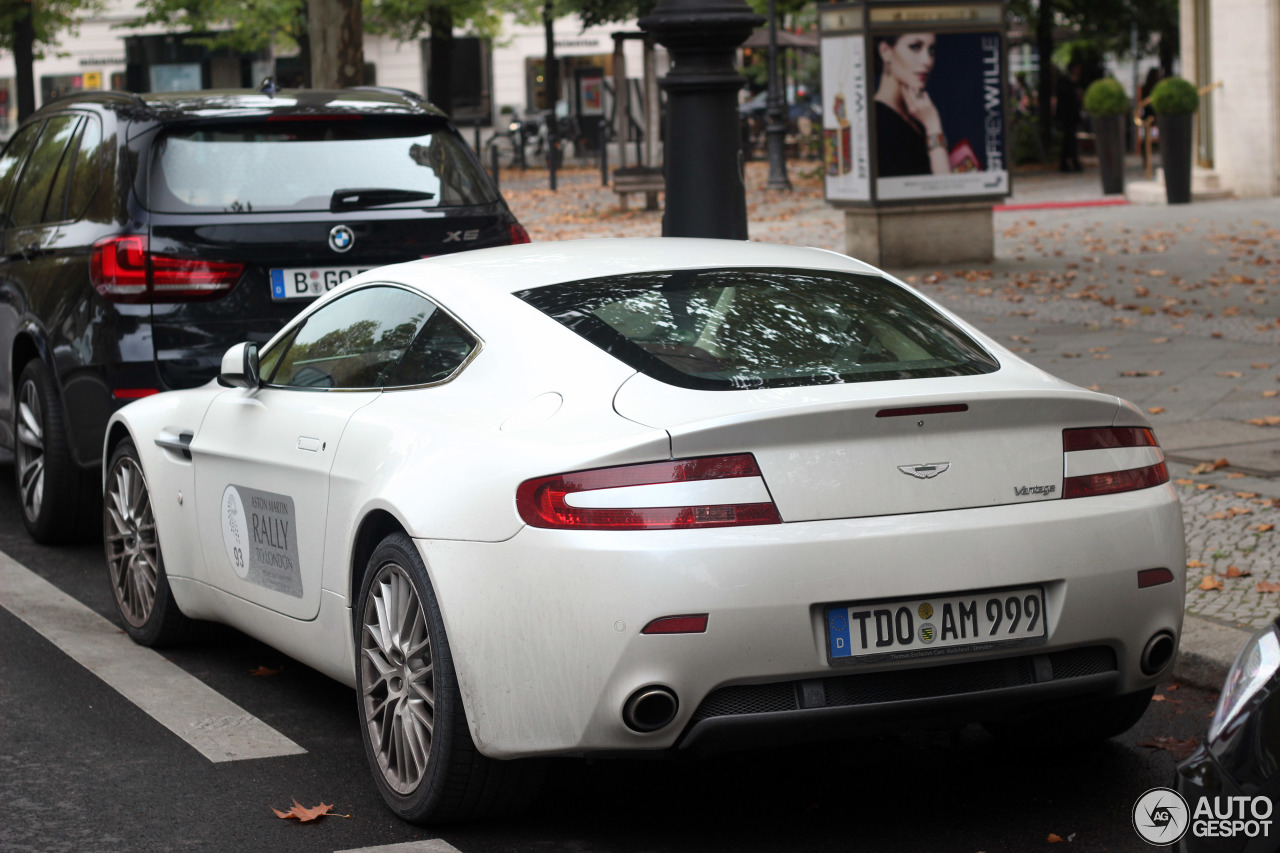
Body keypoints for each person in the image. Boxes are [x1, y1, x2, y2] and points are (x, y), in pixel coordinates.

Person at [873, 33, 950, 177]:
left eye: (931, 50)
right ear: (886, 52)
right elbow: (945, 187)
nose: (927, 60)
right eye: (915, 47)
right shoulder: (875, 122)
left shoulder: (919, 115)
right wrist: (933, 125)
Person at [1055, 62, 1083, 172]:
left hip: (1073, 114)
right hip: (1066, 115)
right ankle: (1071, 162)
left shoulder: (1075, 81)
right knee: (1069, 139)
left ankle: (1068, 162)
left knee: (1069, 139)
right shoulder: (1065, 81)